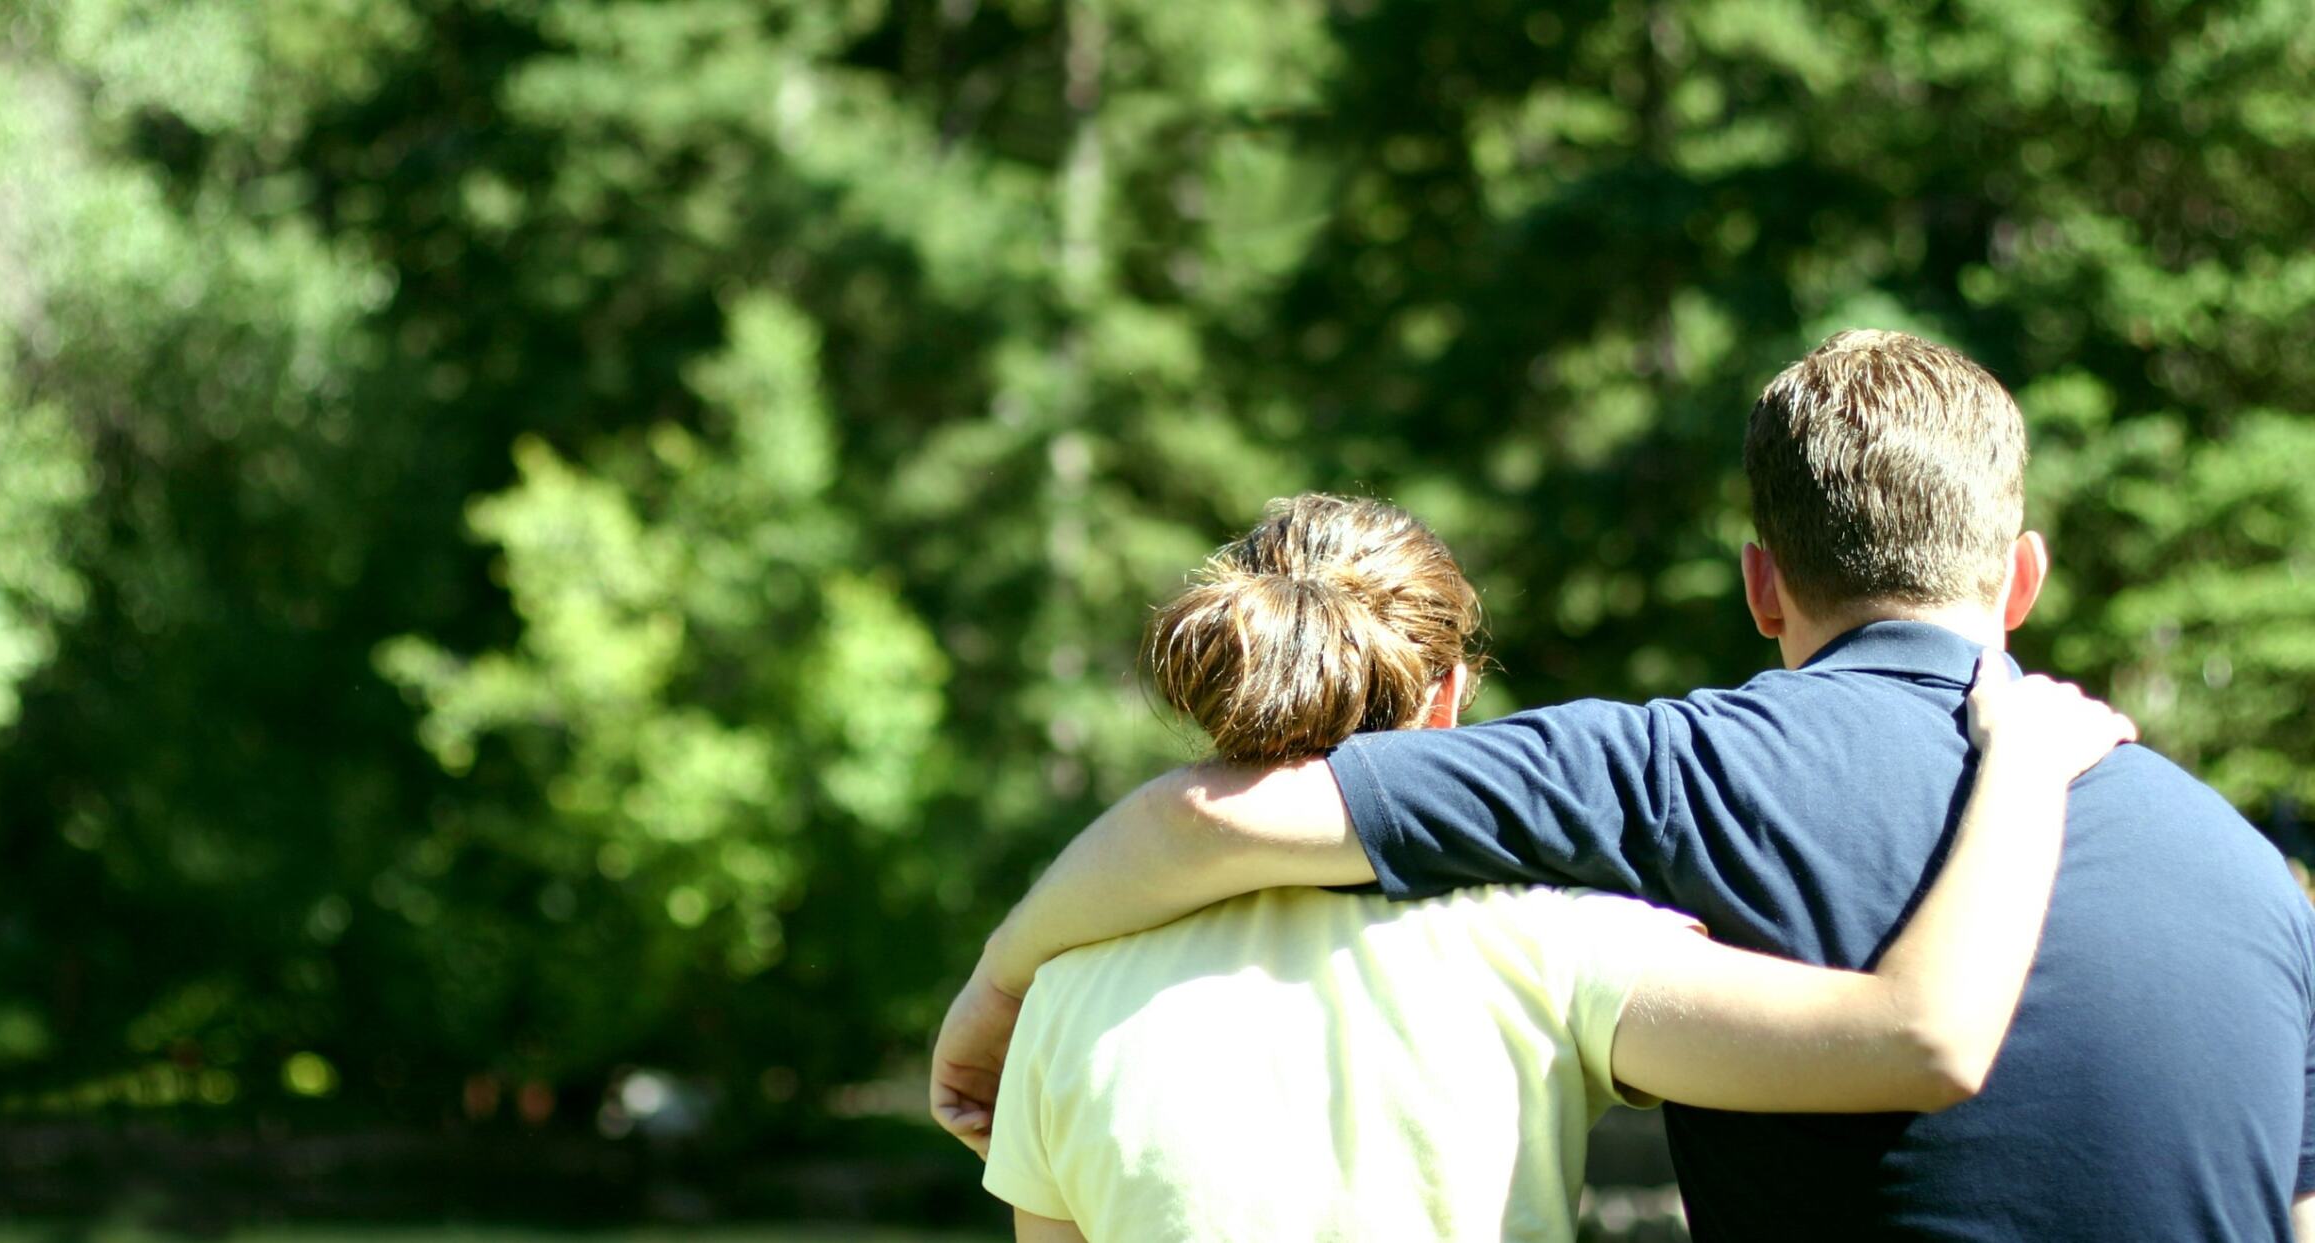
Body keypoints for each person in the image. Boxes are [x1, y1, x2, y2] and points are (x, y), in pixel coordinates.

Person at [936, 331, 2315, 1241]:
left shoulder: (1663, 771)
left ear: (1761, 580)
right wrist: (2013, 755)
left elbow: (1213, 816)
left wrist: (1005, 977)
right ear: (2022, 578)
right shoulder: (2255, 875)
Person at [980, 493, 2133, 1243]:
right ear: (1447, 700)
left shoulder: (1069, 994)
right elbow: (1905, 1040)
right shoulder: (1550, 939)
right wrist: (2018, 767)